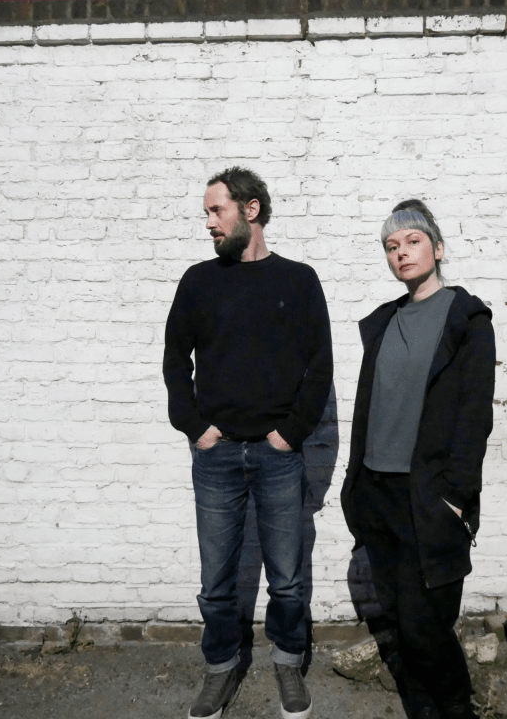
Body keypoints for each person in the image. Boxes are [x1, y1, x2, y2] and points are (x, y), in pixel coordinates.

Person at [163, 167, 333, 719]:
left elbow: (320, 366)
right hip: (216, 457)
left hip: (277, 455)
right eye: (207, 212)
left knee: (286, 578)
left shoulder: (299, 280)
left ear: (251, 210)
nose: (208, 222)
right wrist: (195, 428)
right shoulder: (198, 281)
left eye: (217, 211)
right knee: (217, 583)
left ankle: (288, 661)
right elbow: (173, 362)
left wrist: (289, 435)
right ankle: (219, 669)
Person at [340, 200, 496, 719]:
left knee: (428, 629)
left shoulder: (466, 319)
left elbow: (475, 416)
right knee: (402, 630)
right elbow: (370, 412)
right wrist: (355, 486)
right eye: (391, 246)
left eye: (412, 241)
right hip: (379, 495)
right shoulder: (383, 323)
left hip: (428, 498)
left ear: (438, 248)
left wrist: (456, 496)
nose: (401, 252)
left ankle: (457, 711)